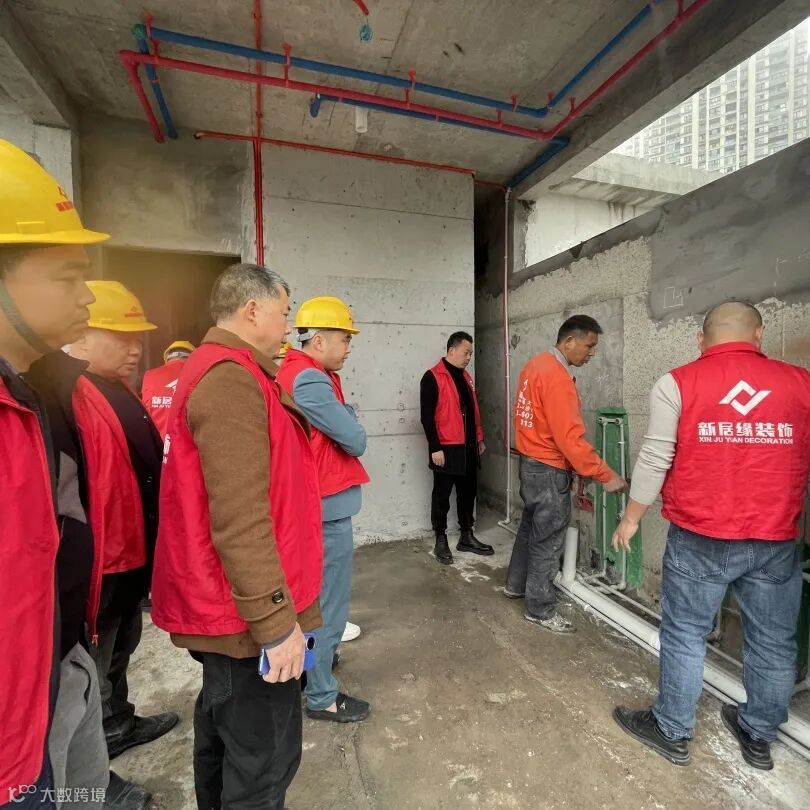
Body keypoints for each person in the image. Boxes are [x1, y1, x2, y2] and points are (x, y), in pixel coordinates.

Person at [0, 139, 147, 809]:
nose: (85, 294)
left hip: (64, 652)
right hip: (14, 730)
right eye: (65, 277)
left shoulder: (46, 392)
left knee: (84, 787)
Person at [150, 264, 323, 809]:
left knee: (228, 740)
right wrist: (276, 623)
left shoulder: (235, 371)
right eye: (284, 312)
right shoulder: (230, 380)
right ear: (252, 310)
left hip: (235, 611)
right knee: (263, 763)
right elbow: (240, 518)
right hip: (244, 620)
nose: (288, 326)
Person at [612, 301, 810, 770]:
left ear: (700, 340)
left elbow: (655, 457)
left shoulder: (677, 383)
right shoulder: (801, 384)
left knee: (685, 632)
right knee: (774, 640)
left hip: (701, 536)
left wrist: (631, 518)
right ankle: (758, 733)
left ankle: (671, 729)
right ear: (759, 334)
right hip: (776, 538)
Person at [67, 281, 179, 761]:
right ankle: (95, 758)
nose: (134, 348)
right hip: (102, 559)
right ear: (82, 337)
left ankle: (118, 723)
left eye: (137, 339)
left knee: (124, 643)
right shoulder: (69, 397)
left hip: (131, 552)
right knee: (93, 662)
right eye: (121, 337)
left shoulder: (119, 390)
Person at [277, 296, 371, 723]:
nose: (349, 347)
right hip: (325, 509)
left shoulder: (298, 372)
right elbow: (355, 438)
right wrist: (350, 417)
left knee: (312, 602)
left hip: (314, 505)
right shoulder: (310, 380)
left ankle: (310, 672)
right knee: (327, 607)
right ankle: (321, 695)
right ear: (318, 340)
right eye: (344, 338)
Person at [505, 315, 627, 633]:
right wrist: (605, 474)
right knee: (548, 540)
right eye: (589, 345)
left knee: (530, 527)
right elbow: (569, 439)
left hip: (530, 464)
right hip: (549, 469)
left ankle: (516, 585)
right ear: (569, 341)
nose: (592, 353)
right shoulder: (557, 377)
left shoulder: (534, 365)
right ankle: (540, 610)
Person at [420, 331, 491, 565]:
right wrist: (435, 447)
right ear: (452, 350)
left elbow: (473, 411)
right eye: (466, 352)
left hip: (468, 447)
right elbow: (427, 417)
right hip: (446, 448)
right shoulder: (432, 377)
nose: (469, 357)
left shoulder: (466, 377)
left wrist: (479, 438)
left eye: (470, 353)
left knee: (467, 493)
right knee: (441, 495)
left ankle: (466, 536)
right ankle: (440, 538)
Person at [141, 339, 195, 438]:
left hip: (156, 443)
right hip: (184, 444)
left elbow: (146, 411)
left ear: (167, 358)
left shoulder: (150, 375)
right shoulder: (198, 376)